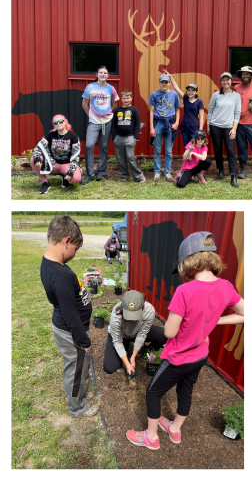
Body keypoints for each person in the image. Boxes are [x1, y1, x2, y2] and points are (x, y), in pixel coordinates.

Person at [127, 232, 244, 450]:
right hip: (201, 355)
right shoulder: (226, 287)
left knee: (152, 391)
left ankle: (151, 437)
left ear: (190, 261)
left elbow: (170, 332)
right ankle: (175, 429)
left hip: (179, 357)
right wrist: (213, 320)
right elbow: (245, 313)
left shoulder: (184, 291)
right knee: (185, 391)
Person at [40, 216, 98, 417]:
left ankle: (80, 394)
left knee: (79, 368)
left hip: (68, 328)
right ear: (66, 241)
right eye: (75, 249)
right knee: (76, 370)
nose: (74, 254)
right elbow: (70, 314)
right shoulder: (62, 276)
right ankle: (77, 407)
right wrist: (83, 340)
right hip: (71, 331)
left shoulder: (49, 263)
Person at [103, 291, 167, 376]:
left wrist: (133, 356)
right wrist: (127, 363)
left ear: (142, 306)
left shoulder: (149, 310)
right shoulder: (116, 314)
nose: (131, 319)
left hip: (137, 332)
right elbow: (117, 341)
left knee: (164, 335)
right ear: (122, 306)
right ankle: (126, 346)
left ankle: (146, 350)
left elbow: (142, 334)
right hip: (122, 336)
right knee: (109, 367)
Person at [81, 66, 119, 183]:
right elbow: (84, 104)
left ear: (108, 75)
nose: (103, 74)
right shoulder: (90, 87)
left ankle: (100, 172)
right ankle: (89, 174)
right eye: (101, 72)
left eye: (105, 73)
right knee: (89, 146)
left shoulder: (111, 89)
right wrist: (91, 116)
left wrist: (106, 115)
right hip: (93, 122)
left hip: (107, 122)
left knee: (103, 147)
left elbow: (114, 105)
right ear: (97, 74)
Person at [31, 115, 82, 194]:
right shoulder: (51, 135)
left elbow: (76, 156)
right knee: (33, 159)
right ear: (53, 124)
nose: (58, 123)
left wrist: (70, 171)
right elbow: (38, 147)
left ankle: (65, 178)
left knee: (76, 178)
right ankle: (45, 183)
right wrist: (37, 158)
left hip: (66, 164)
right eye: (55, 122)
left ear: (65, 122)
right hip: (53, 164)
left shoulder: (73, 136)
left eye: (61, 121)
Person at [207, 72, 241, 187]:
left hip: (229, 128)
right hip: (215, 126)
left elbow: (237, 113)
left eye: (227, 80)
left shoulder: (236, 96)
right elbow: (210, 110)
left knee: (231, 151)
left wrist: (234, 129)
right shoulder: (216, 95)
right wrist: (208, 125)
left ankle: (233, 175)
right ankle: (221, 171)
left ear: (231, 81)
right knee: (217, 150)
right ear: (220, 82)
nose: (225, 82)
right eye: (223, 80)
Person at [147, 73, 183, 181]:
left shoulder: (174, 95)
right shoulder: (154, 94)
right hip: (158, 123)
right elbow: (152, 111)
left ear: (169, 83)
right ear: (159, 83)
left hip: (170, 123)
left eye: (166, 82)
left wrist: (176, 123)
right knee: (157, 149)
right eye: (162, 82)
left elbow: (177, 109)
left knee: (168, 150)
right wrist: (151, 127)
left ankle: (167, 172)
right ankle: (157, 172)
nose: (164, 84)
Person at [112, 89, 147, 183]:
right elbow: (114, 124)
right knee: (120, 158)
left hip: (130, 137)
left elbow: (137, 124)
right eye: (124, 98)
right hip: (118, 137)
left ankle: (138, 177)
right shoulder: (118, 110)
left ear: (131, 98)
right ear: (121, 99)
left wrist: (135, 137)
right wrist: (114, 137)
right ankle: (124, 176)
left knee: (130, 157)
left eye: (128, 98)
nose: (126, 100)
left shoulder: (134, 110)